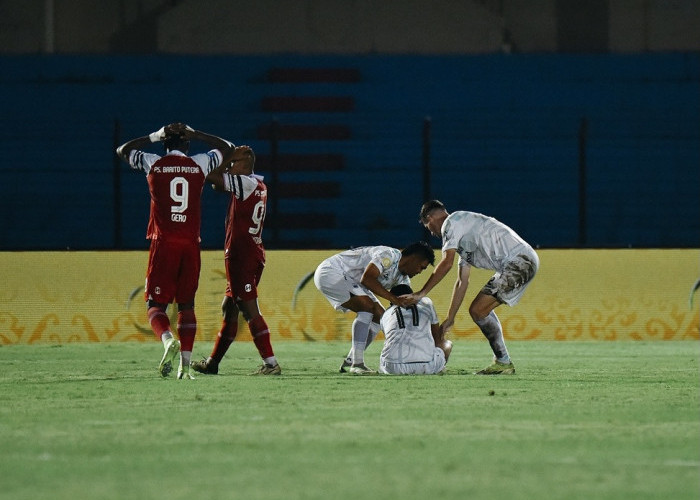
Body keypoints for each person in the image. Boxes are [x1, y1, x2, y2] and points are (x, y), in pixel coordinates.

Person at [116, 122, 233, 379]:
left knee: (155, 305)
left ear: (165, 143)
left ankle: (168, 340)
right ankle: (185, 366)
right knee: (186, 305)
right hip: (191, 244)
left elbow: (122, 150)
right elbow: (228, 148)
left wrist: (153, 136)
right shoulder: (200, 163)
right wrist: (199, 133)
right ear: (187, 145)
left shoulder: (153, 162)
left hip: (163, 242)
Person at [406, 200, 539, 375]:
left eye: (428, 227)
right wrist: (451, 318)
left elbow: (446, 263)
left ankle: (503, 361)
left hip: (518, 261)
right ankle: (503, 361)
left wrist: (421, 293)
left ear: (430, 218)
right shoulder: (465, 236)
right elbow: (462, 281)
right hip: (520, 260)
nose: (432, 233)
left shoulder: (452, 223)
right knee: (479, 310)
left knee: (478, 310)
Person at [190, 145, 281, 375]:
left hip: (242, 255)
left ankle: (271, 364)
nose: (230, 166)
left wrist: (213, 161)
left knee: (249, 308)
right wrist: (228, 161)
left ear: (245, 164)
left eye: (234, 162)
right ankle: (213, 364)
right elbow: (217, 183)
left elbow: (212, 178)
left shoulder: (246, 183)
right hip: (252, 251)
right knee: (229, 307)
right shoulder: (258, 184)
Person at [313, 242, 435, 374]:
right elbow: (367, 279)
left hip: (352, 281)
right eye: (421, 267)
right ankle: (357, 364)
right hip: (332, 271)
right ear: (414, 258)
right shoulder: (389, 256)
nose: (420, 272)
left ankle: (350, 361)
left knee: (380, 316)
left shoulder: (403, 280)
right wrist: (394, 299)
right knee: (367, 307)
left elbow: (400, 306)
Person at [379, 284, 452, 375]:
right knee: (447, 344)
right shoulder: (427, 303)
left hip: (392, 367)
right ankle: (440, 367)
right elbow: (437, 340)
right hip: (426, 366)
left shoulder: (386, 314)